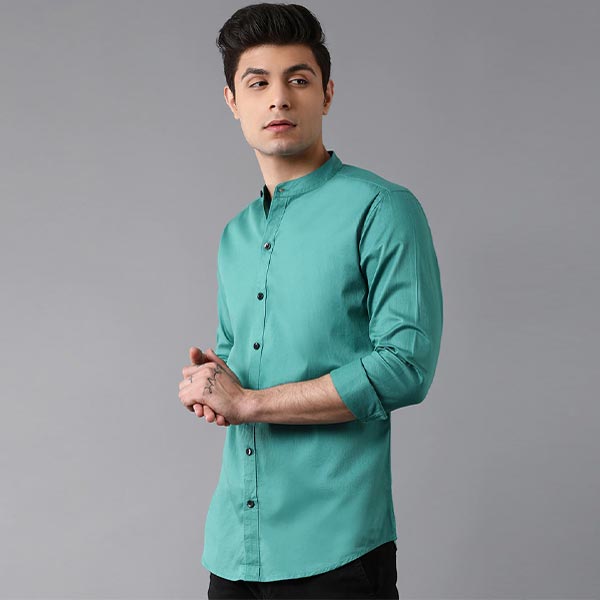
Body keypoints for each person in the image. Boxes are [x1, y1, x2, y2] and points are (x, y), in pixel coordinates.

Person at [177, 3, 444, 598]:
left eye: (297, 80)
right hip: (234, 549)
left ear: (326, 94)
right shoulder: (236, 234)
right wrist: (213, 383)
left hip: (334, 546)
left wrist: (249, 402)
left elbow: (406, 367)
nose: (279, 99)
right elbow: (237, 358)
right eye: (258, 83)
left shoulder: (382, 208)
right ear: (232, 101)